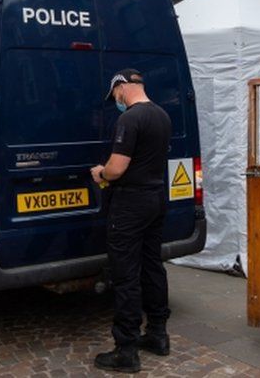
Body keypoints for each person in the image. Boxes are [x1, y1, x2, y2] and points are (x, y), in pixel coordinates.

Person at [90, 69, 172, 374]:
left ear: (122, 88)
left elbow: (117, 168)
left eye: (114, 95)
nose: (115, 101)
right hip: (155, 197)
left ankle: (125, 350)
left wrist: (101, 172)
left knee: (125, 274)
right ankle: (158, 334)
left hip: (130, 203)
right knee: (153, 265)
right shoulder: (162, 115)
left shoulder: (129, 119)